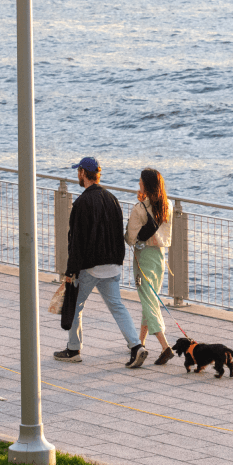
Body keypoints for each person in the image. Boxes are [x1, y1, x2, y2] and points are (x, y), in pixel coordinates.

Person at [54, 156, 148, 368]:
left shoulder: (81, 203)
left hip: (91, 267)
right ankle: (136, 346)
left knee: (76, 306)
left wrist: (70, 272)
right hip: (113, 264)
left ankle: (73, 349)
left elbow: (76, 241)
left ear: (82, 174)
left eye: (78, 171)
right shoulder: (112, 199)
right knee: (117, 305)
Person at [125, 168, 174, 365]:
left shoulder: (139, 209)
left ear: (146, 184)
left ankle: (165, 346)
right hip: (160, 257)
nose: (138, 183)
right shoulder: (167, 205)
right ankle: (141, 341)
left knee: (148, 301)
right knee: (151, 298)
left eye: (141, 181)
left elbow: (130, 238)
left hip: (143, 257)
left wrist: (140, 202)